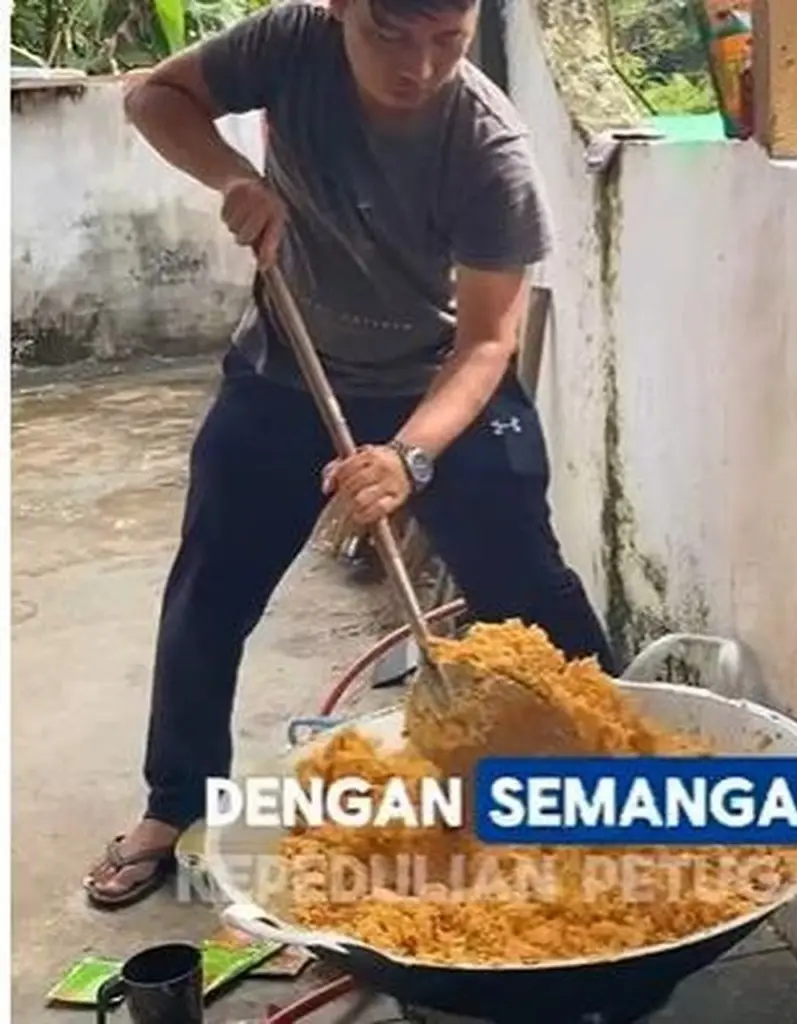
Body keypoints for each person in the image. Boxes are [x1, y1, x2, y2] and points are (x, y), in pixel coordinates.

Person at [83, 0, 617, 908]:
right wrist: (233, 178)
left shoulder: (488, 148)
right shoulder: (289, 44)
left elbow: (488, 342)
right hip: (287, 371)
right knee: (209, 590)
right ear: (339, 10)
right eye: (389, 35)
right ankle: (174, 804)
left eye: (448, 40)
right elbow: (154, 98)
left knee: (529, 588)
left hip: (437, 381)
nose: (420, 68)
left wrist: (407, 458)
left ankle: (619, 780)